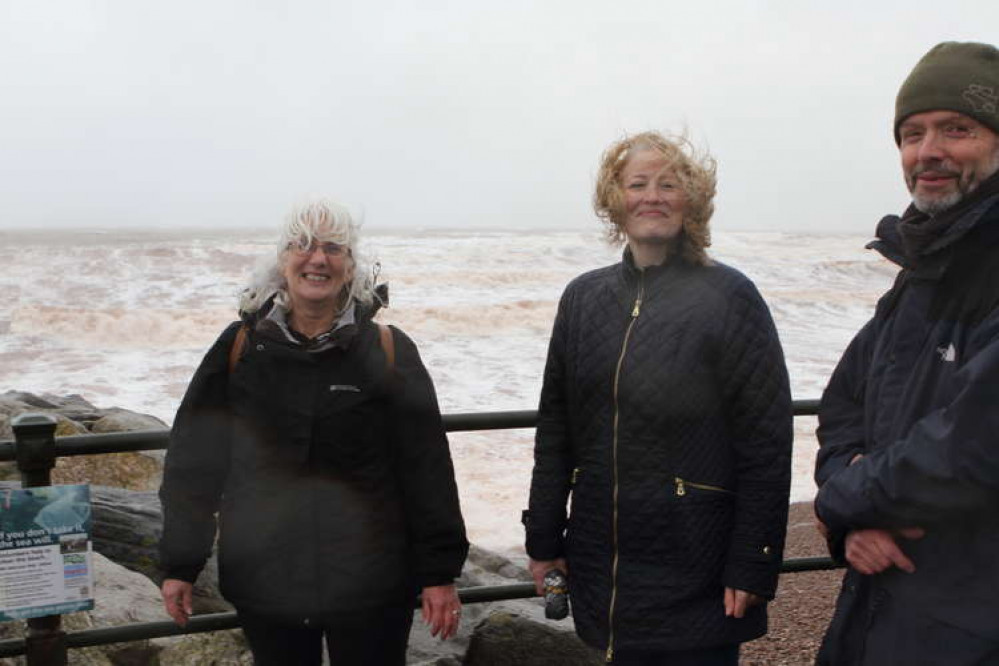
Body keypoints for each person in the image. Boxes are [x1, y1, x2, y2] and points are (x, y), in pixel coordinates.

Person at [158, 199, 468, 666]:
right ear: (282, 262)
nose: (317, 258)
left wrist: (439, 574)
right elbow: (194, 463)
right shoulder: (240, 347)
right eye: (301, 245)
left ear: (351, 266)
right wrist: (180, 565)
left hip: (372, 582)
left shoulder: (387, 350)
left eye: (333, 248)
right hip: (267, 579)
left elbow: (426, 467)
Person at [524, 131, 793, 665]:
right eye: (638, 184)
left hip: (698, 558)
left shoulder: (730, 296)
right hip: (605, 560)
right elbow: (556, 430)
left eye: (669, 184)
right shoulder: (582, 299)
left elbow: (766, 439)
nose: (653, 195)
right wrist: (544, 541)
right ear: (614, 201)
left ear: (691, 200)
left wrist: (753, 561)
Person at [813, 41, 999, 665]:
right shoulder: (918, 270)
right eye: (912, 133)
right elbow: (843, 406)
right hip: (884, 606)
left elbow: (971, 445)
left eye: (957, 129)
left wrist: (840, 501)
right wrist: (853, 519)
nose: (929, 151)